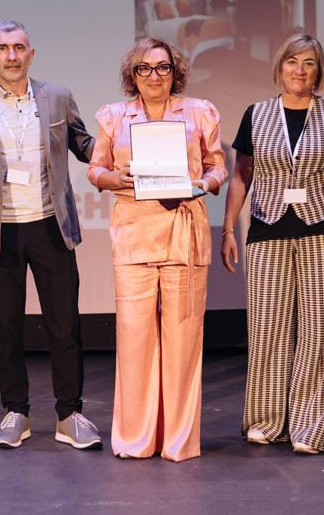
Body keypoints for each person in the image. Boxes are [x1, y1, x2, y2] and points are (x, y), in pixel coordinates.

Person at [0, 20, 101, 450]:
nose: (12, 56)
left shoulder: (56, 96)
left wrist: (123, 141)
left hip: (51, 225)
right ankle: (15, 412)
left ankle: (69, 414)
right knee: (6, 329)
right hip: (0, 231)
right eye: (3, 48)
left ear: (31, 54)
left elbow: (83, 143)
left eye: (19, 47)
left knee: (64, 325)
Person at [87, 37, 226, 461]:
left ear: (174, 71)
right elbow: (96, 169)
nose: (154, 76)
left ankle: (179, 441)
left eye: (162, 68)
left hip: (185, 233)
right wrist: (116, 178)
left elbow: (217, 164)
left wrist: (205, 183)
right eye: (144, 69)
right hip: (134, 234)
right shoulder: (113, 117)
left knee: (184, 341)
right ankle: (135, 439)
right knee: (134, 340)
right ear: (133, 74)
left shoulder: (200, 112)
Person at [220, 34, 324, 455]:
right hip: (268, 227)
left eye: (310, 63)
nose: (300, 70)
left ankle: (312, 427)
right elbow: (241, 174)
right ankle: (266, 419)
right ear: (279, 67)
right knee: (267, 329)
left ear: (319, 71)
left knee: (322, 330)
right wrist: (228, 229)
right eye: (292, 62)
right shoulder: (257, 114)